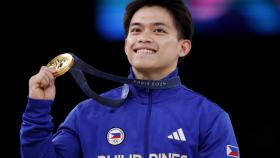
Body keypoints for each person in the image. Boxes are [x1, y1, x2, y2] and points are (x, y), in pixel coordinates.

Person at [20, 0, 239, 157]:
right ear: (126, 45)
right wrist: (37, 109)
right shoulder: (86, 114)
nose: (144, 38)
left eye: (159, 30)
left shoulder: (210, 118)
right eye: (136, 30)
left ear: (183, 47)